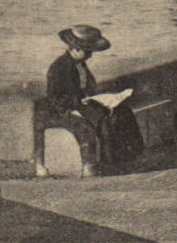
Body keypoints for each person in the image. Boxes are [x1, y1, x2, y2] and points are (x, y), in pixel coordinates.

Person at [44, 25, 145, 168]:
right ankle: (110, 161)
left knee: (124, 111)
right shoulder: (59, 67)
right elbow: (55, 97)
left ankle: (131, 155)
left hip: (84, 103)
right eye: (87, 52)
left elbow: (86, 87)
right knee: (106, 119)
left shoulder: (80, 64)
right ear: (75, 49)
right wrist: (81, 102)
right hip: (69, 108)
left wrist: (96, 98)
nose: (90, 55)